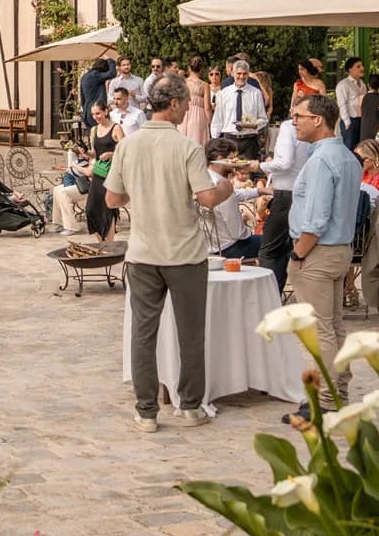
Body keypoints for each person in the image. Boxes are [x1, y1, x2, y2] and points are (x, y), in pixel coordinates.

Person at [106, 74, 233, 433]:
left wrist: (143, 194)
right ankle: (190, 406)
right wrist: (224, 186)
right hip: (184, 254)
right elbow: (207, 198)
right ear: (175, 104)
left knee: (143, 335)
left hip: (143, 252)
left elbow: (112, 199)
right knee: (190, 333)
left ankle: (146, 411)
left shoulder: (128, 146)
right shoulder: (187, 147)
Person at [287, 94, 363, 417]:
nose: (294, 121)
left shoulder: (321, 161)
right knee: (334, 326)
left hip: (317, 252)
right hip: (339, 249)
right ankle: (338, 391)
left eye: (299, 116)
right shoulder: (347, 157)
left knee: (321, 329)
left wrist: (298, 254)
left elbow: (316, 220)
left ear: (318, 120)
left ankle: (329, 400)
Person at [259, 109, 312, 294]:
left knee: (269, 250)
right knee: (284, 248)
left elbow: (284, 162)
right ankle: (276, 294)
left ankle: (268, 297)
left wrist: (259, 165)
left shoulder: (289, 126)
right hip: (303, 192)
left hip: (285, 193)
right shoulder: (314, 131)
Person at [204, 137, 265, 259]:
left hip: (208, 246)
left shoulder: (204, 179)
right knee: (277, 243)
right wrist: (251, 229)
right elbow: (238, 234)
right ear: (220, 159)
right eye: (232, 159)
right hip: (230, 248)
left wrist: (260, 191)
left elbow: (235, 193)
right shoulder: (223, 189)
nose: (235, 164)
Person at [210, 60, 268, 159]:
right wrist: (215, 140)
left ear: (248, 74)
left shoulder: (256, 93)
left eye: (245, 74)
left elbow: (263, 119)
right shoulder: (224, 93)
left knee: (248, 173)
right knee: (229, 173)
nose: (241, 77)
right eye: (239, 73)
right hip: (229, 140)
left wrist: (254, 125)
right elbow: (217, 119)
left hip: (249, 141)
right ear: (233, 73)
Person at [85, 102, 123, 241]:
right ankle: (100, 242)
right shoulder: (94, 130)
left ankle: (110, 244)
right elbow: (94, 154)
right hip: (98, 173)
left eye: (98, 113)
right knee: (90, 209)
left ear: (106, 111)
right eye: (93, 114)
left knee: (108, 208)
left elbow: (125, 150)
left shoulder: (116, 128)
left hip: (112, 174)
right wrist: (84, 153)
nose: (95, 117)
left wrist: (111, 154)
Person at [335, 56, 367, 149]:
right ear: (350, 69)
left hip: (361, 121)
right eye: (358, 66)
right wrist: (347, 122)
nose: (362, 68)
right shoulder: (343, 85)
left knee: (360, 149)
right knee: (349, 148)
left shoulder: (363, 84)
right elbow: (342, 104)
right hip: (350, 121)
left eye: (362, 66)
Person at [79, 57, 116, 130]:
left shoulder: (84, 77)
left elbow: (82, 97)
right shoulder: (96, 74)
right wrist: (109, 60)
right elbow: (112, 73)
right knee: (101, 135)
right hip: (97, 112)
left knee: (92, 138)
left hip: (87, 113)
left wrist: (85, 110)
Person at [181, 58, 211, 145]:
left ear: (189, 68)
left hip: (183, 114)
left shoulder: (182, 83)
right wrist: (209, 123)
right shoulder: (205, 85)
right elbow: (207, 108)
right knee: (198, 143)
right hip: (199, 116)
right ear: (201, 69)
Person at [360, 74, 379, 144]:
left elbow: (360, 113)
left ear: (368, 85)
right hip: (378, 129)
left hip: (365, 129)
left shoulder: (362, 97)